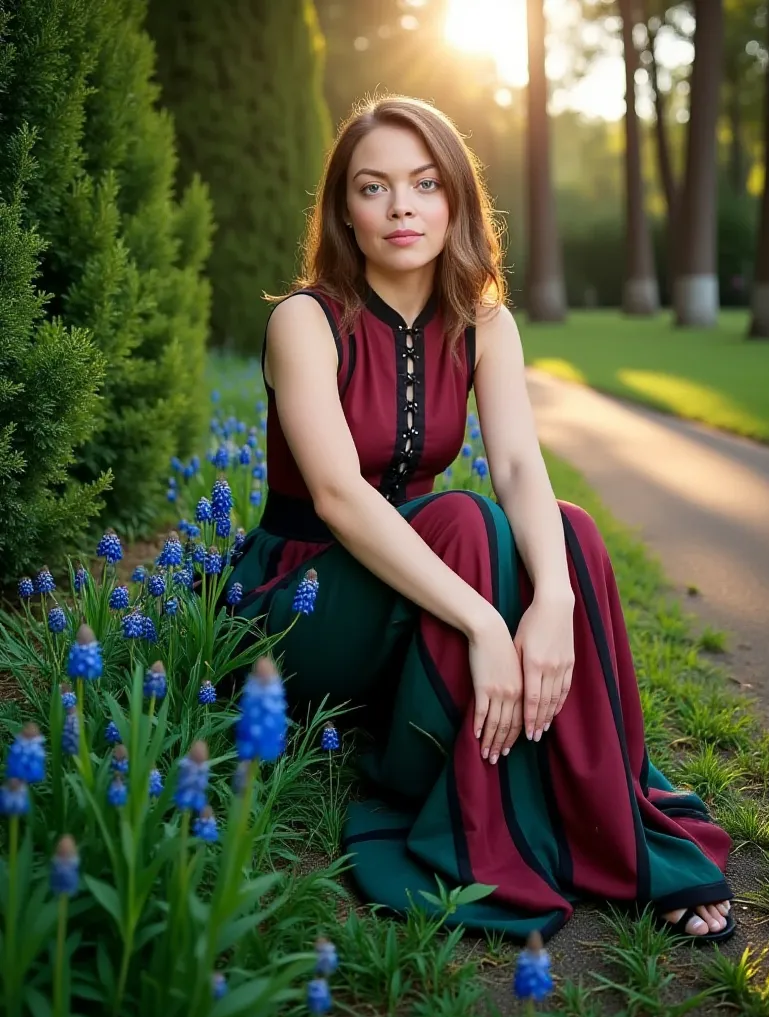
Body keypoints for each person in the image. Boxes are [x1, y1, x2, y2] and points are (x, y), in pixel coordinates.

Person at [227, 95, 734, 942]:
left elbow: (523, 467)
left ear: (456, 198)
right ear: (343, 211)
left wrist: (554, 604)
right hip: (306, 608)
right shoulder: (304, 321)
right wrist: (486, 626)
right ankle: (474, 820)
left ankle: (594, 814)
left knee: (568, 531)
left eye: (425, 184)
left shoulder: (484, 322)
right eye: (373, 187)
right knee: (463, 520)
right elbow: (341, 497)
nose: (401, 208)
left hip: (421, 586)